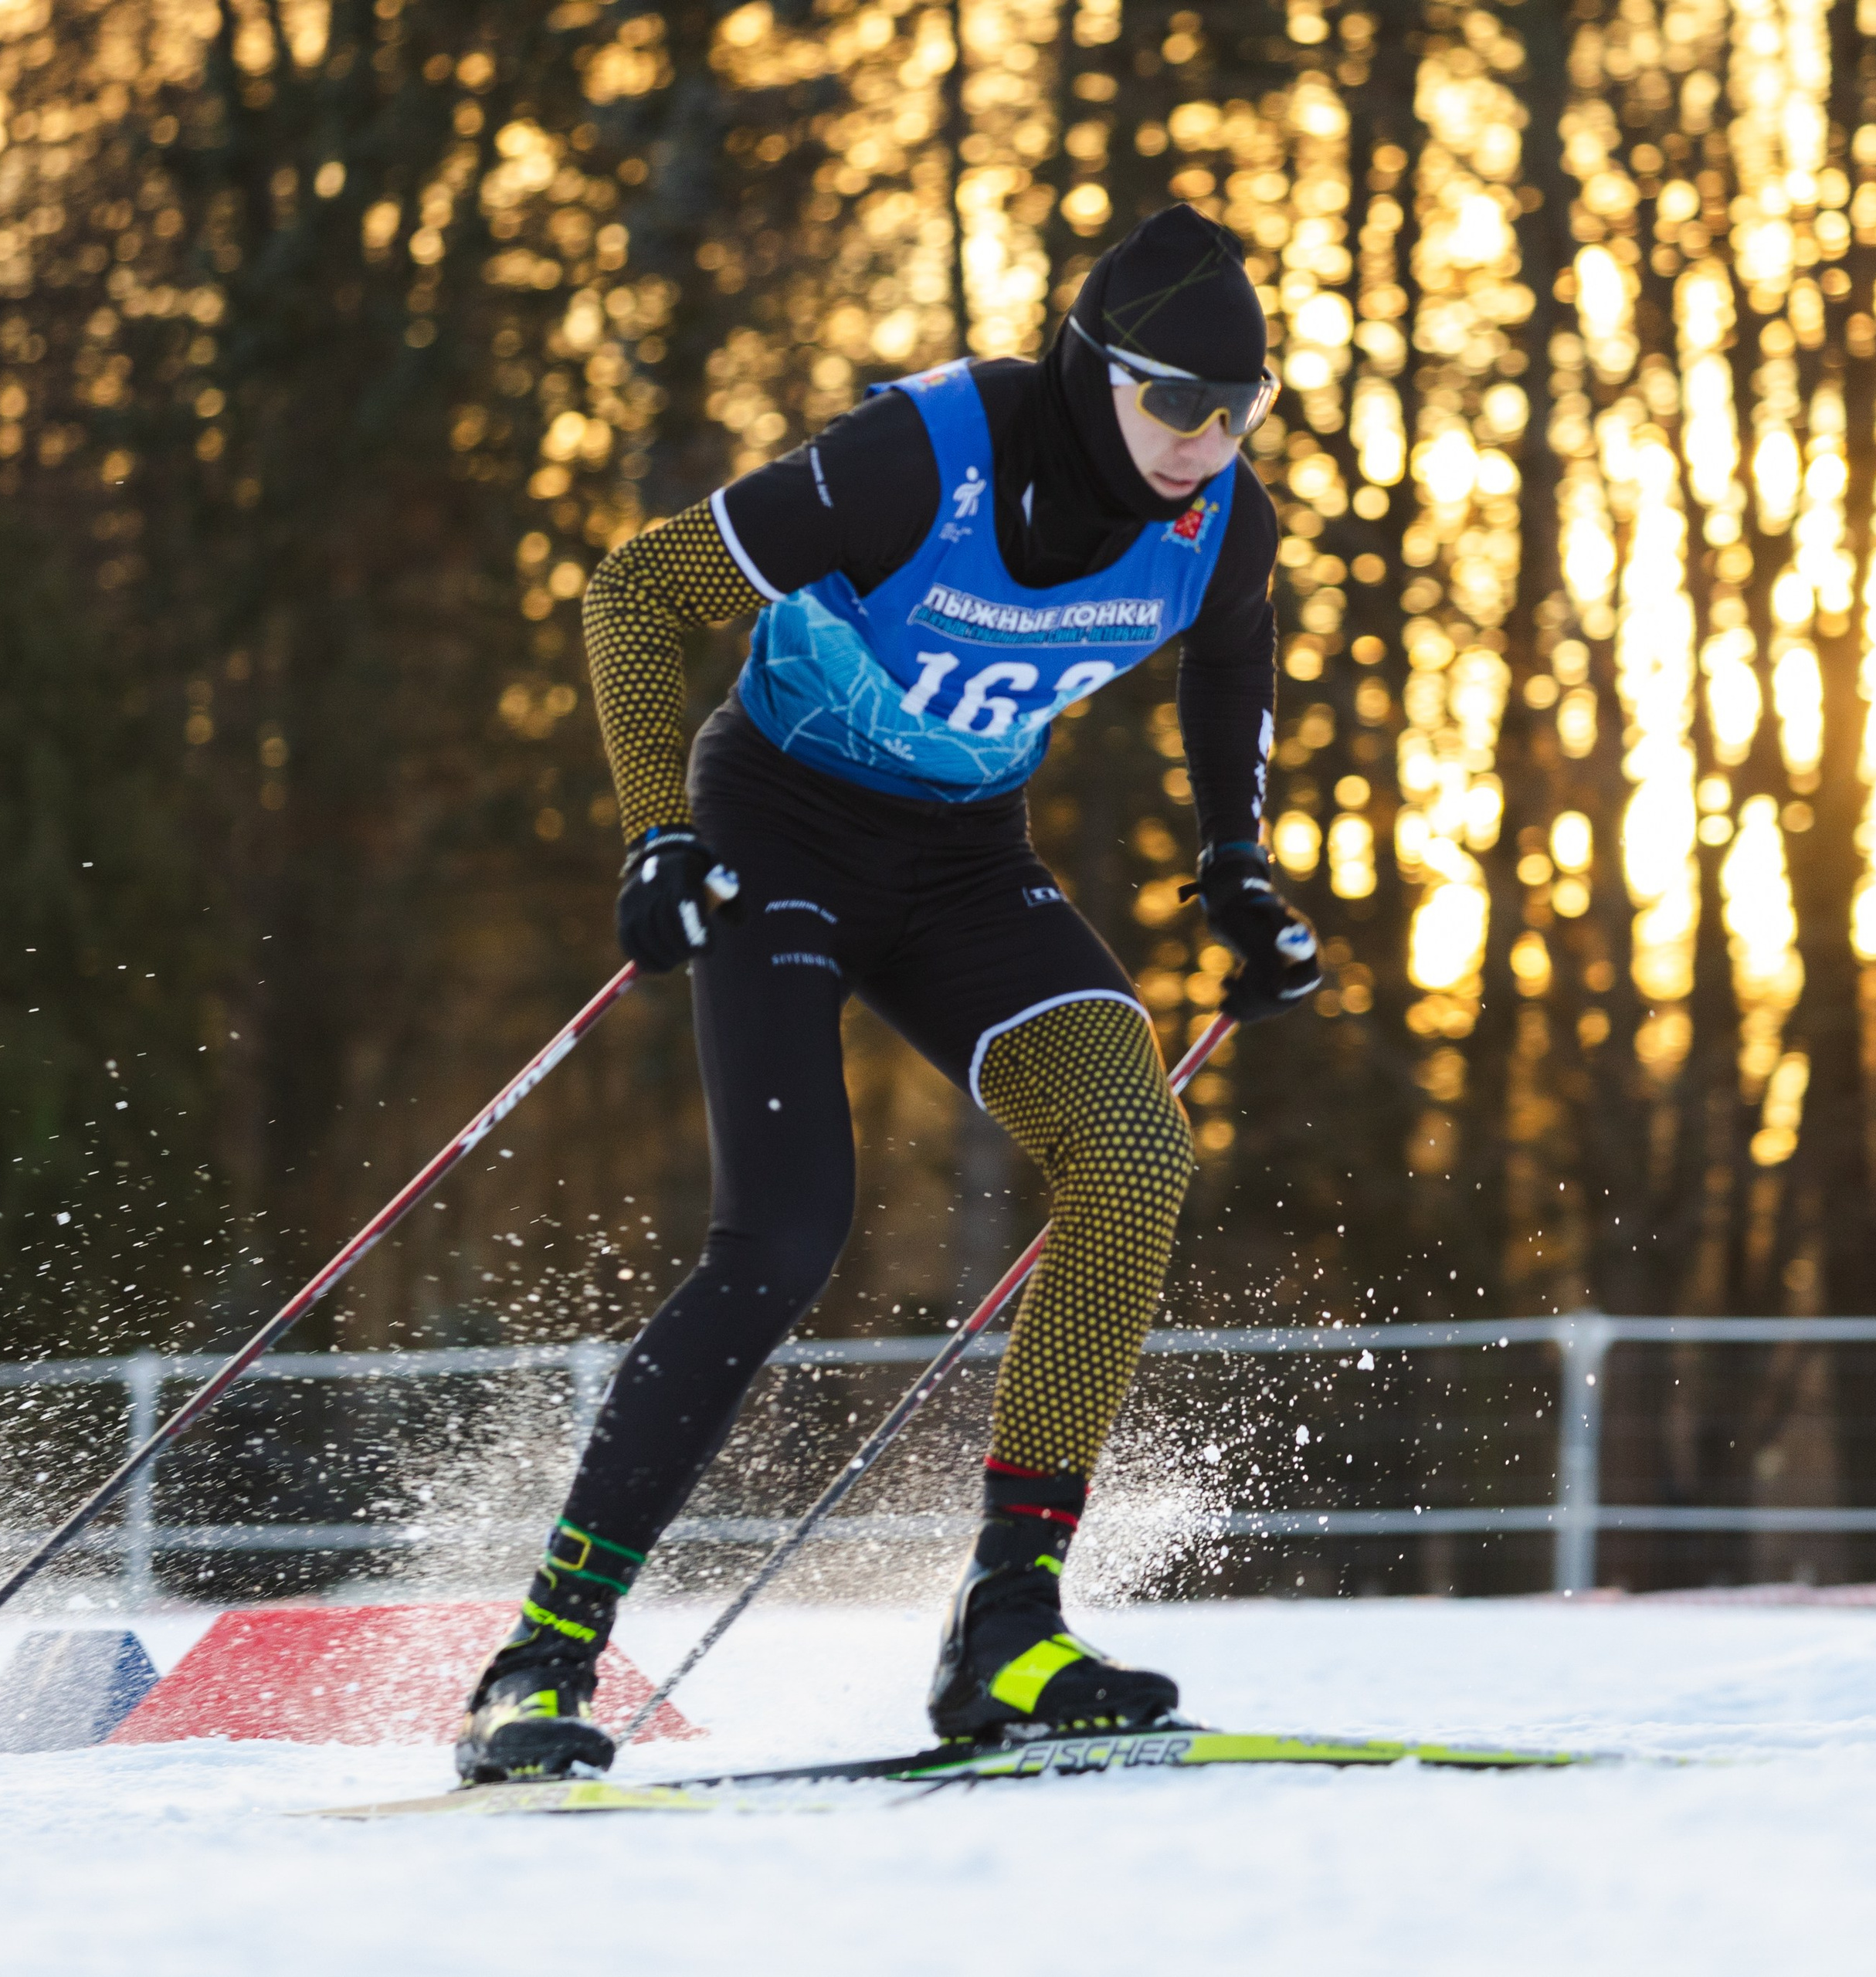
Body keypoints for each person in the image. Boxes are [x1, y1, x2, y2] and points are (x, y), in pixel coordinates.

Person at [456, 204, 1321, 1781]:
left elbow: (1230, 662)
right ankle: (541, 1655)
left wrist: (1234, 864)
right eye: (1172, 400)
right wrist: (656, 831)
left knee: (1132, 1158)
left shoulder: (1216, 524)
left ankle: (1006, 1629)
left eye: (1236, 408)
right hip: (775, 822)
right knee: (783, 1236)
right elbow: (636, 594)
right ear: (1087, 370)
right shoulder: (920, 458)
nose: (1203, 440)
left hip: (963, 862)